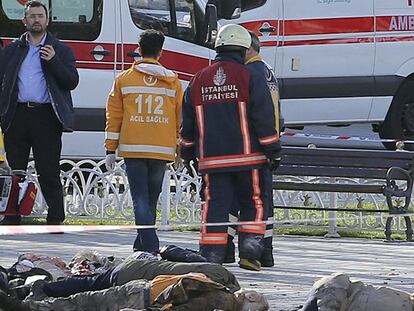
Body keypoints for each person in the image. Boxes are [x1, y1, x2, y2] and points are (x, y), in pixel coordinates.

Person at [180, 24, 281, 271]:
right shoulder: (250, 77)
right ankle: (250, 253)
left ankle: (211, 257)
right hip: (250, 159)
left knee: (214, 207)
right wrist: (273, 150)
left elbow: (188, 125)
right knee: (254, 204)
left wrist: (188, 154)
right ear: (244, 48)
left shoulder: (197, 80)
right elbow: (264, 118)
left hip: (213, 161)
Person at [0, 1, 79, 226]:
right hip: (17, 115)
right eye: (32, 16)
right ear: (24, 21)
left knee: (49, 170)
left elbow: (71, 81)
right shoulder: (13, 49)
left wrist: (53, 61)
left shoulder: (60, 49)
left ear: (47, 20)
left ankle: (55, 217)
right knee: (15, 171)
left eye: (40, 16)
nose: (36, 20)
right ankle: (13, 215)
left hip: (46, 116)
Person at [105, 30, 183, 253]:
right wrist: (178, 149)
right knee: (151, 199)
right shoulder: (173, 82)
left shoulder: (124, 79)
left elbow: (114, 116)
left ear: (139, 50)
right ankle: (142, 248)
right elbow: (180, 118)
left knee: (140, 200)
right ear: (161, 51)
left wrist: (111, 149)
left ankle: (149, 245)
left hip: (133, 148)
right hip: (161, 149)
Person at [225, 31, 282, 267]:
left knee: (241, 203)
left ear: (247, 48)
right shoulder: (267, 72)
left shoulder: (249, 74)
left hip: (253, 147)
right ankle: (265, 253)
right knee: (263, 205)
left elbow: (258, 114)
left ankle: (231, 250)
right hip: (267, 146)